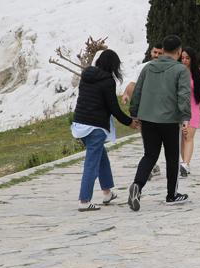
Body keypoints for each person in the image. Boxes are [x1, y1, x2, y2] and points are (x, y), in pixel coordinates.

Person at [128, 35, 191, 211]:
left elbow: (137, 91)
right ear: (179, 51)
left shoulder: (148, 67)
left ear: (163, 50)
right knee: (172, 157)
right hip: (170, 120)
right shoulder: (180, 70)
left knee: (149, 155)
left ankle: (137, 185)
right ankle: (172, 195)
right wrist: (185, 118)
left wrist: (134, 114)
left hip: (147, 119)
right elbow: (183, 95)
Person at [71, 49, 140, 211]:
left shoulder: (86, 75)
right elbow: (113, 108)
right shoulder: (108, 81)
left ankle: (107, 193)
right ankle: (84, 201)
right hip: (95, 127)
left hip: (80, 123)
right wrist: (130, 122)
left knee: (101, 157)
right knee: (91, 164)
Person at [122, 41, 163, 179]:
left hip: (162, 110)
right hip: (145, 109)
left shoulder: (168, 68)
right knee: (147, 138)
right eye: (155, 52)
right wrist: (126, 94)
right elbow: (133, 84)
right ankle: (152, 165)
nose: (156, 55)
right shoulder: (142, 67)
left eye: (160, 53)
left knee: (160, 139)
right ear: (151, 52)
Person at [180, 47, 200, 177]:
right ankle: (185, 163)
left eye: (187, 58)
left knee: (188, 137)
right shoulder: (177, 72)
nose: (184, 60)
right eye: (182, 58)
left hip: (193, 110)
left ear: (192, 59)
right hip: (179, 110)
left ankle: (185, 164)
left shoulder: (199, 74)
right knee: (182, 138)